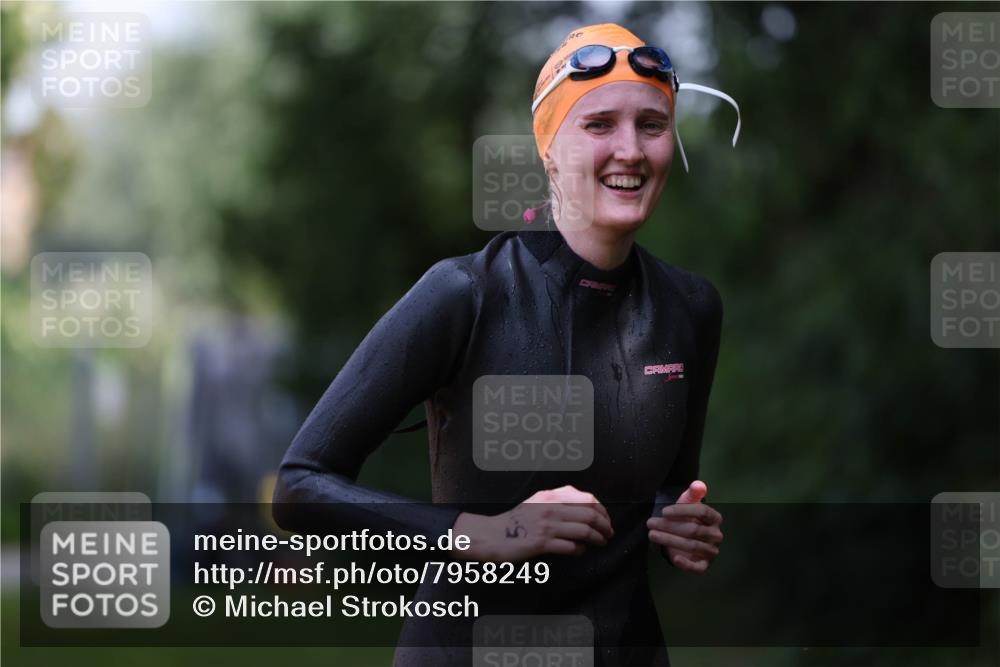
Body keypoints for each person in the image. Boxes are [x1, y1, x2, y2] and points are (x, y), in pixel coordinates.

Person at [273, 23, 739, 666]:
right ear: (549, 147)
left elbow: (668, 486)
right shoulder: (464, 294)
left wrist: (676, 523)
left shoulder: (690, 307)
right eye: (599, 124)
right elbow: (301, 487)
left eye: (652, 125)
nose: (630, 149)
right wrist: (479, 532)